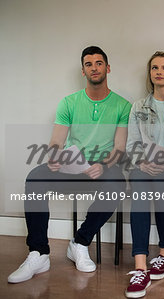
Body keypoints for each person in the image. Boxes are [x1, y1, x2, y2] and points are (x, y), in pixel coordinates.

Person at [8, 46, 131, 283]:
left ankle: (80, 242)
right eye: (88, 64)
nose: (94, 68)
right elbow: (56, 141)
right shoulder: (69, 102)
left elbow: (119, 148)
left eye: (98, 63)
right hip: (73, 164)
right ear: (83, 71)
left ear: (108, 67)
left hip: (101, 166)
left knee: (117, 183)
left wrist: (104, 166)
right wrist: (54, 157)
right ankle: (39, 253)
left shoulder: (123, 106)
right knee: (35, 177)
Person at [124, 51, 164, 299]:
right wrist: (142, 163)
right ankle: (141, 266)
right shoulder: (139, 107)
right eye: (154, 68)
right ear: (150, 74)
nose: (159, 72)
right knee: (139, 185)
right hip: (145, 167)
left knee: (162, 183)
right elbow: (132, 145)